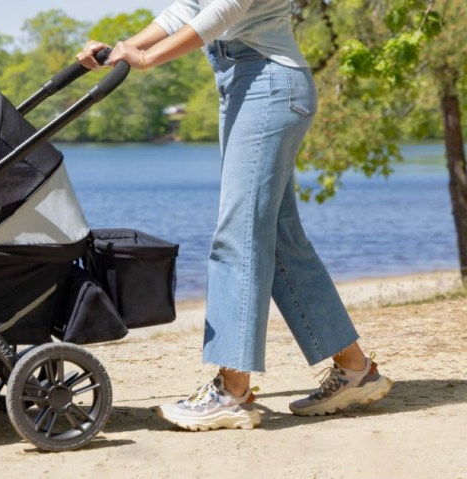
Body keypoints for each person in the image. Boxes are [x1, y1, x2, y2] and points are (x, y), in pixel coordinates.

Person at [77, 0, 393, 431]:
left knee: (238, 234)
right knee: (280, 240)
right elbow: (189, 7)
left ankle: (232, 391)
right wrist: (123, 48)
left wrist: (148, 58)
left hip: (268, 85)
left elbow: (222, 12)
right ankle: (355, 369)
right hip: (246, 86)